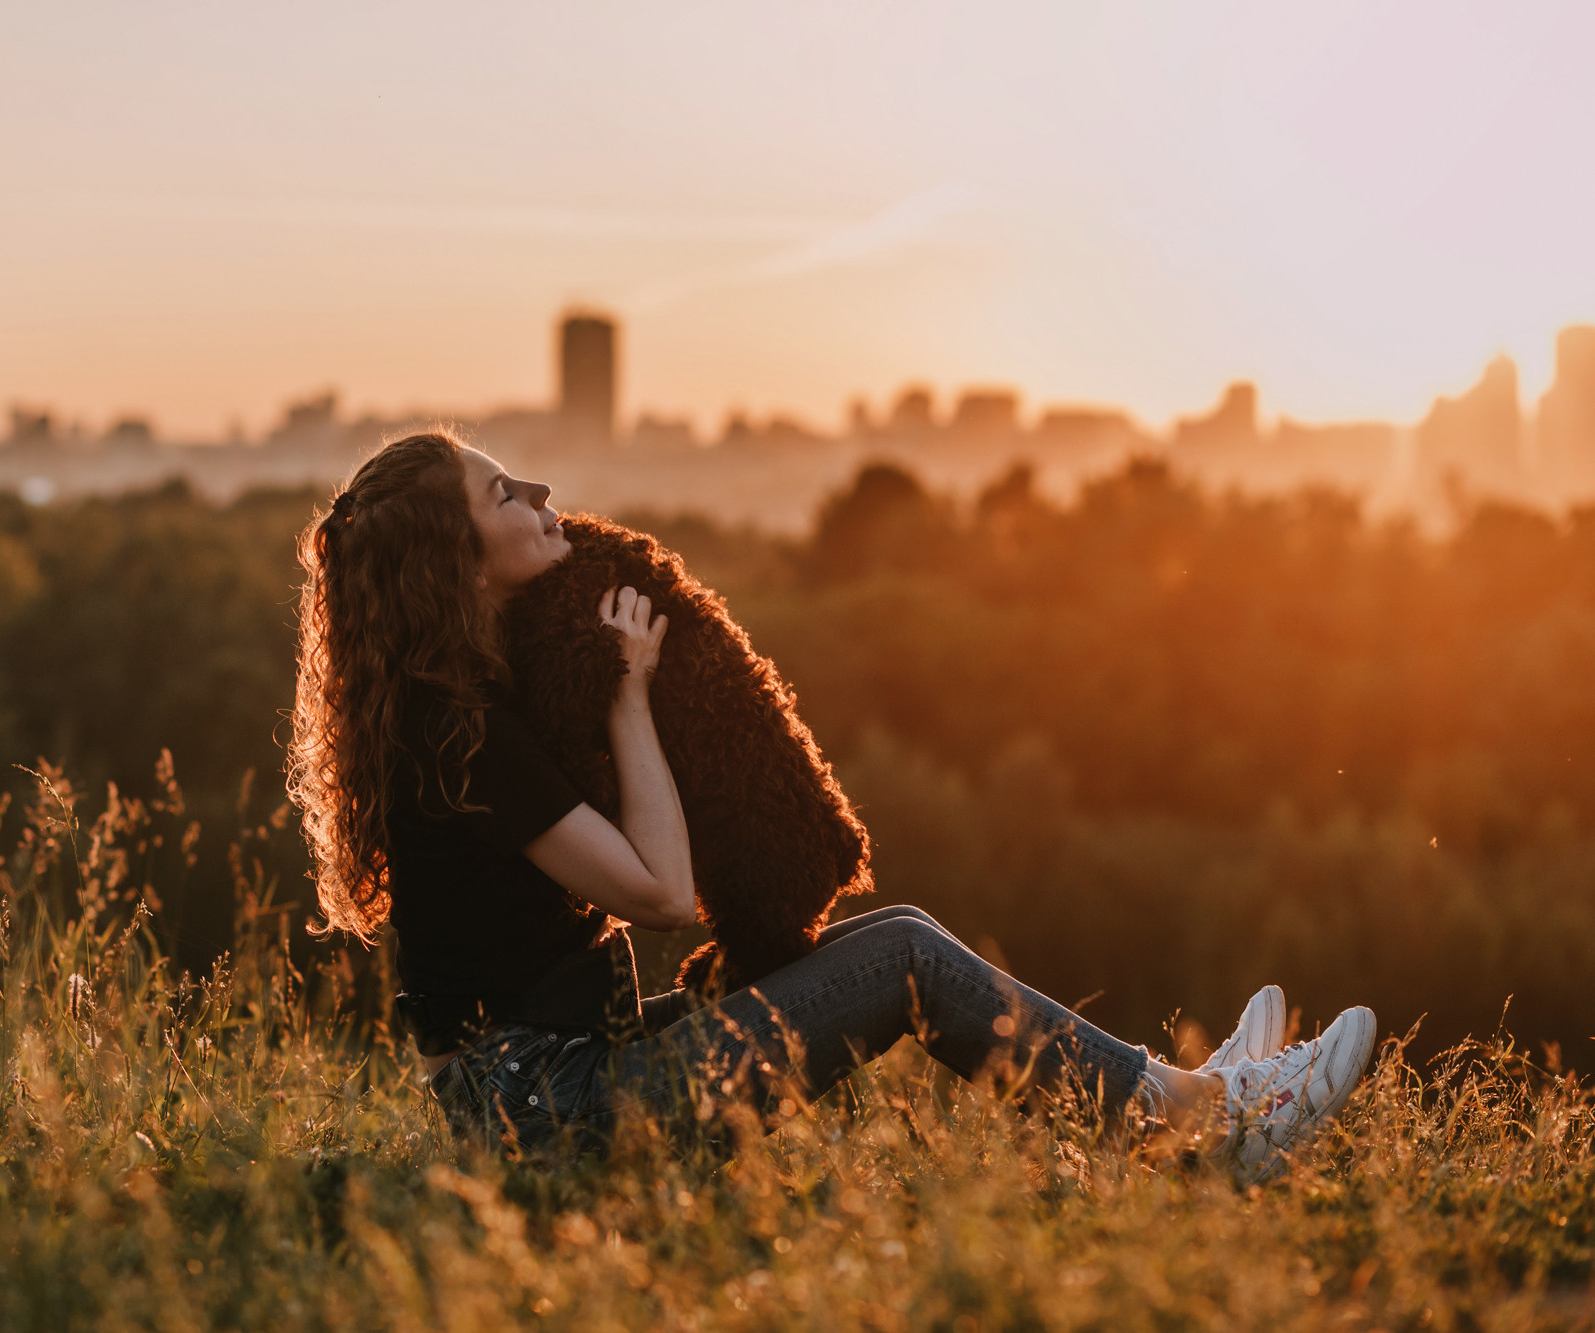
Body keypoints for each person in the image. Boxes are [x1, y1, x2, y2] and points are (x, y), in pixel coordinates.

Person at [288, 432, 1377, 1183]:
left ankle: (1186, 1101)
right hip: (554, 1117)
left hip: (543, 1089)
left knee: (885, 946)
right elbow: (661, 892)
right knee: (900, 957)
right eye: (500, 495)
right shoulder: (460, 735)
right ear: (458, 565)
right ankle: (1204, 1126)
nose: (534, 494)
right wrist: (627, 695)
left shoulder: (451, 709)